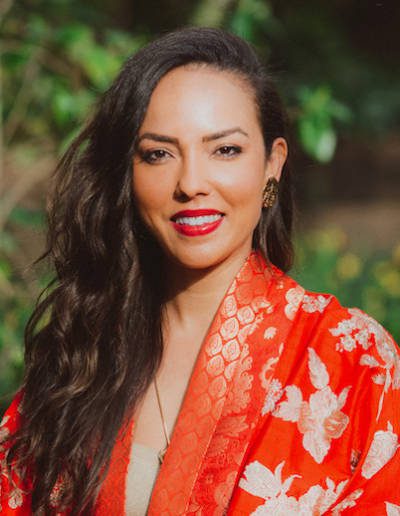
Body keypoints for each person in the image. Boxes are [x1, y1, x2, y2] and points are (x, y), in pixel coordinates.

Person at [0, 25, 399, 516]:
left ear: (272, 164)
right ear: (128, 174)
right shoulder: (81, 355)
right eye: (159, 154)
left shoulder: (352, 361)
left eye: (225, 150)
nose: (190, 183)